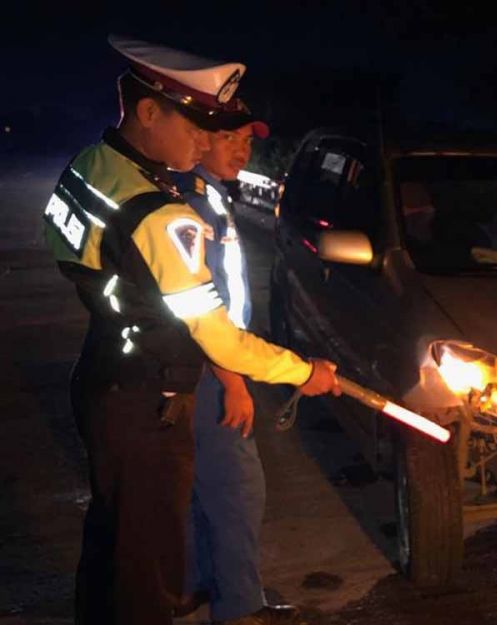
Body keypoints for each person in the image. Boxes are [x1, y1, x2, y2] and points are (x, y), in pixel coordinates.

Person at [41, 35, 341, 625]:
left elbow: (61, 244)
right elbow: (220, 338)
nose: (207, 143)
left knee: (113, 538)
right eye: (198, 128)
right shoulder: (163, 212)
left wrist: (122, 298)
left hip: (106, 366)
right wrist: (303, 372)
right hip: (148, 396)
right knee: (147, 561)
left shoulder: (93, 165)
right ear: (149, 112)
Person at [172, 104, 296, 624]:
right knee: (239, 491)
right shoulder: (192, 203)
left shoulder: (208, 194)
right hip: (212, 368)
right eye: (230, 138)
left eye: (248, 140)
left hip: (209, 363)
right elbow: (199, 307)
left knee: (208, 486)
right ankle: (241, 608)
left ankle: (200, 583)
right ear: (200, 138)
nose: (242, 150)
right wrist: (234, 382)